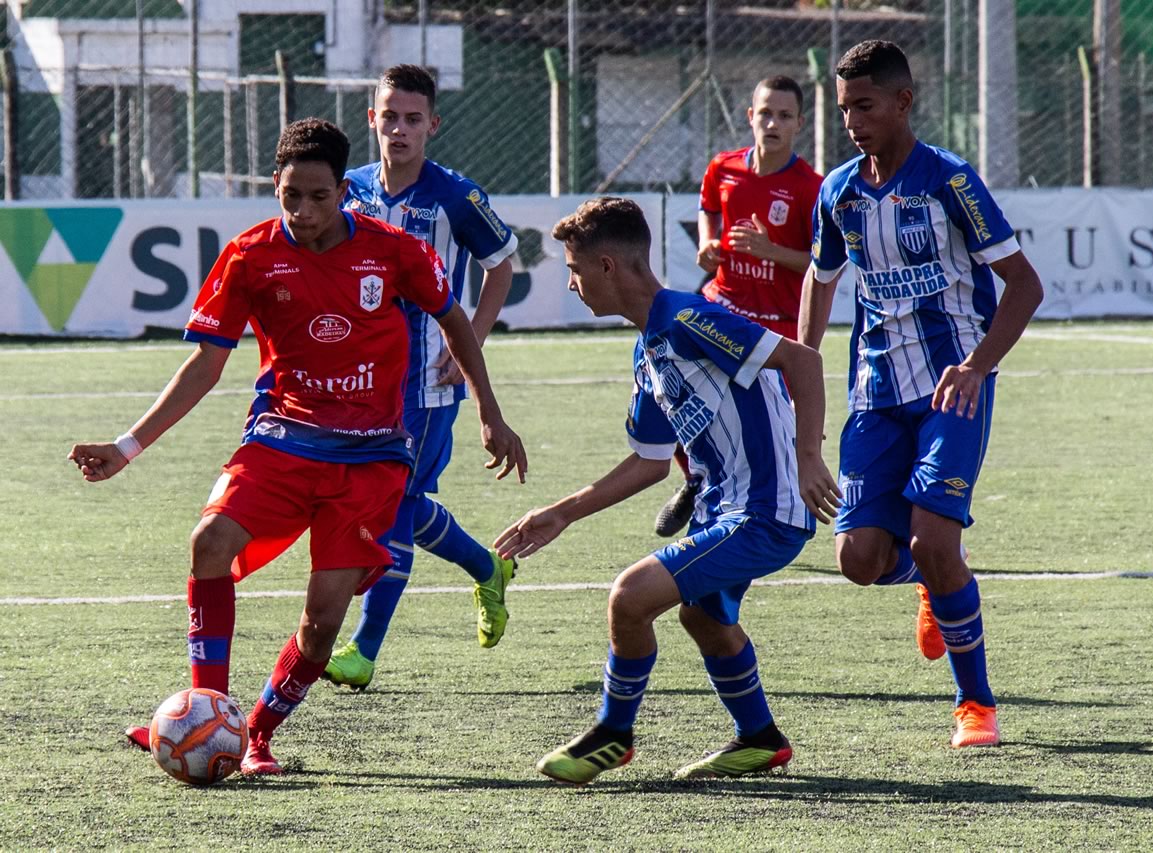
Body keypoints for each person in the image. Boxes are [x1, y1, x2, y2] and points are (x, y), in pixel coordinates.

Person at [68, 118, 526, 776]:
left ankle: (255, 733)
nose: (304, 211)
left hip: (371, 458)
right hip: (282, 437)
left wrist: (490, 411)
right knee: (208, 543)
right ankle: (208, 711)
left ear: (343, 190)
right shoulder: (249, 255)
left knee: (321, 623)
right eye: (290, 196)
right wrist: (127, 445)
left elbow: (454, 318)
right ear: (275, 188)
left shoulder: (393, 251)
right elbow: (205, 364)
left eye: (318, 196)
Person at [495, 196, 841, 785]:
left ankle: (613, 733)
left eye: (574, 270)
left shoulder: (689, 319)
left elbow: (802, 362)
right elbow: (649, 462)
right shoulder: (649, 347)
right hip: (723, 511)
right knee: (703, 620)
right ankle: (759, 739)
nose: (572, 285)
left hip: (765, 511)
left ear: (607, 267)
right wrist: (561, 513)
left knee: (630, 597)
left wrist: (809, 456)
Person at [799, 40, 1043, 748]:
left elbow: (1025, 285)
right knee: (857, 560)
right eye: (843, 108)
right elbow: (820, 279)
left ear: (904, 102)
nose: (851, 121)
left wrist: (975, 365)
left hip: (951, 394)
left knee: (937, 539)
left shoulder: (951, 182)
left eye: (865, 106)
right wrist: (804, 364)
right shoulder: (839, 191)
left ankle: (976, 705)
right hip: (874, 395)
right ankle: (929, 579)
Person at [324, 65, 521, 690]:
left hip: (430, 381)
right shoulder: (348, 189)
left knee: (395, 507)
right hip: (361, 379)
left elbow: (503, 264)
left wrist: (470, 343)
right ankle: (486, 566)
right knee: (392, 504)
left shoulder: (455, 196)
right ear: (372, 119)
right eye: (390, 116)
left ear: (432, 125)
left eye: (413, 119)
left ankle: (363, 650)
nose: (400, 129)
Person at [656, 75, 824, 537]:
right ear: (750, 117)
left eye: (784, 116)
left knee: (776, 431)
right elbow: (709, 207)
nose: (773, 122)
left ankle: (778, 509)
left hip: (779, 325)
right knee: (672, 387)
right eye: (765, 113)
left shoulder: (812, 188)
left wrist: (772, 253)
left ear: (799, 125)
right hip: (723, 307)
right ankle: (695, 479)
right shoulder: (723, 168)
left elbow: (825, 262)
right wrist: (708, 244)